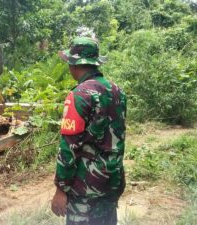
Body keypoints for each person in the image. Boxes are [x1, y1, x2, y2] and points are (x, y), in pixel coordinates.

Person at [51, 37, 127, 225]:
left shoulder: (80, 95)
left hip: (86, 189)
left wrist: (61, 189)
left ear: (73, 64)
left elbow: (69, 147)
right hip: (113, 180)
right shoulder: (117, 91)